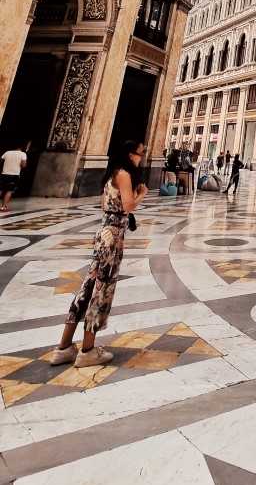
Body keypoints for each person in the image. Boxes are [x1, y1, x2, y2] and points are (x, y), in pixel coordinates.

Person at [50, 139, 148, 367]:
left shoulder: (112, 174)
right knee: (101, 292)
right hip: (112, 239)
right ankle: (87, 350)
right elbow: (127, 206)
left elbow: (105, 206)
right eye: (140, 153)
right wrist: (142, 193)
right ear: (129, 154)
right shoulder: (124, 175)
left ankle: (63, 348)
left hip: (103, 234)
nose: (141, 157)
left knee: (88, 288)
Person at [0, 143, 27, 212]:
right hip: (14, 175)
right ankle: (3, 207)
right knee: (9, 191)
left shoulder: (7, 152)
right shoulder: (23, 154)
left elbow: (1, 160)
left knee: (1, 189)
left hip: (4, 173)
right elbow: (24, 165)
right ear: (22, 147)